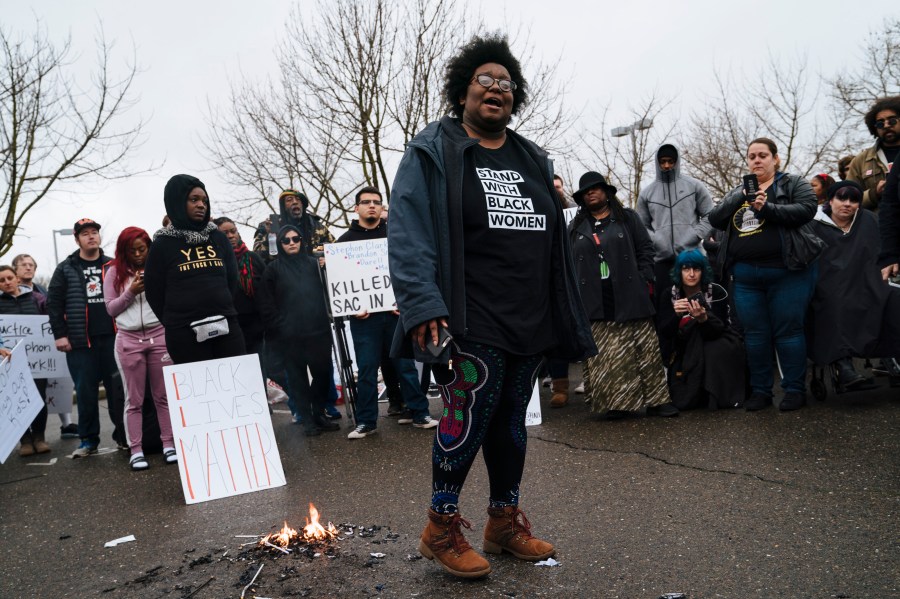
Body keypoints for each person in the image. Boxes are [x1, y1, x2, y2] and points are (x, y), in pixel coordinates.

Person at [388, 35, 595, 579]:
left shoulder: (531, 156)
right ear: (462, 91)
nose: (496, 89)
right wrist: (422, 303)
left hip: (529, 314)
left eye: (506, 83)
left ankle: (502, 522)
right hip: (469, 315)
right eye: (485, 80)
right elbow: (407, 231)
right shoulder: (433, 149)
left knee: (511, 426)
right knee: (466, 417)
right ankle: (441, 525)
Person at [708, 138, 822, 411]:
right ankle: (761, 392)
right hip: (746, 276)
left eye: (762, 155)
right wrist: (742, 196)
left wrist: (766, 208)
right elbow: (715, 218)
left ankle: (794, 390)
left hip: (788, 271)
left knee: (788, 332)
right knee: (755, 335)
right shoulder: (740, 190)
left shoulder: (794, 183)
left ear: (775, 159)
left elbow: (807, 210)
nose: (756, 161)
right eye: (752, 156)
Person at [570, 171, 677, 418]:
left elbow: (646, 249)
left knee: (644, 352)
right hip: (595, 302)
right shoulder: (575, 227)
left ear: (607, 192)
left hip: (630, 296)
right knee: (609, 356)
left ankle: (657, 402)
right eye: (586, 191)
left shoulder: (627, 218)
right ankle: (618, 404)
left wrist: (644, 277)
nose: (591, 193)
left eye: (595, 188)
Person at [338, 186, 438, 439]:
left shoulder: (396, 236)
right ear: (356, 207)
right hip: (364, 319)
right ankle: (366, 422)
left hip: (396, 314)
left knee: (405, 366)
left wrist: (405, 302)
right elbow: (341, 285)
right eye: (366, 202)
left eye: (377, 202)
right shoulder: (343, 244)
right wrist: (351, 309)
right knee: (368, 370)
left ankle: (419, 413)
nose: (372, 205)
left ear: (383, 207)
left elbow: (409, 269)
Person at [144, 175, 246, 364]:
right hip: (184, 334)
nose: (201, 205)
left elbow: (232, 280)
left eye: (204, 200)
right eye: (194, 200)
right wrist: (176, 321)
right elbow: (154, 291)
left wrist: (219, 305)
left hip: (227, 327)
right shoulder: (162, 245)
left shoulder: (218, 238)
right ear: (176, 202)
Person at [808, 181, 900, 387]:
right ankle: (842, 366)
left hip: (868, 280)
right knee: (834, 300)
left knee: (894, 297)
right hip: (828, 284)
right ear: (830, 200)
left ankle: (894, 358)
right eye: (842, 198)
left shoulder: (869, 220)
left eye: (854, 199)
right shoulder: (813, 224)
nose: (847, 204)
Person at [48, 218, 125, 456]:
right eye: (85, 234)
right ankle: (88, 440)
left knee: (118, 392)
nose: (91, 236)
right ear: (77, 239)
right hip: (81, 342)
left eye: (94, 232)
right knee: (85, 392)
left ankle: (124, 437)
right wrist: (60, 335)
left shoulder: (114, 265)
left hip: (114, 338)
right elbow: (54, 303)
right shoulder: (65, 268)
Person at [103, 227, 177, 470]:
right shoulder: (114, 272)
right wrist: (131, 292)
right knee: (133, 399)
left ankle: (169, 444)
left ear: (149, 248)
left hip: (159, 335)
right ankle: (136, 450)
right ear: (123, 250)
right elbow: (111, 309)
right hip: (128, 339)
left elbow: (169, 299)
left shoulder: (158, 266)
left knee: (163, 396)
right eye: (131, 250)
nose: (137, 254)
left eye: (142, 249)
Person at [258, 225, 340, 436]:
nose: (292, 242)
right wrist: (280, 326)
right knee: (298, 380)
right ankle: (308, 421)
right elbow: (266, 303)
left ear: (302, 240)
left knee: (323, 375)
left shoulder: (314, 264)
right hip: (290, 336)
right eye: (286, 240)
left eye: (296, 238)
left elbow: (333, 288)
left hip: (318, 331)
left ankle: (318, 413)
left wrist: (327, 268)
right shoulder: (272, 269)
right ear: (280, 244)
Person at [636, 143, 714, 347]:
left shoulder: (694, 186)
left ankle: (704, 349)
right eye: (663, 162)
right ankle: (669, 358)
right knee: (666, 312)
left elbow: (710, 216)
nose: (667, 165)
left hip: (691, 257)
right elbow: (641, 226)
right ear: (657, 163)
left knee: (700, 305)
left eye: (671, 161)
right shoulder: (647, 193)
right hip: (661, 261)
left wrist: (693, 236)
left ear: (677, 162)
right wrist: (657, 240)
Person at [657, 250, 746, 409]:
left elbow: (722, 329)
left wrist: (704, 319)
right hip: (682, 347)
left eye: (696, 269)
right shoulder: (669, 294)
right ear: (679, 271)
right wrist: (676, 316)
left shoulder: (716, 291)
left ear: (703, 271)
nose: (691, 274)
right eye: (686, 269)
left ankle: (716, 395)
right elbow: (664, 333)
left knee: (712, 349)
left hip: (713, 343)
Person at [13, 252, 77, 438]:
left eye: (31, 264)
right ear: (15, 270)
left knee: (57, 384)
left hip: (43, 349)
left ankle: (66, 424)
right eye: (23, 264)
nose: (28, 267)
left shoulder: (42, 291)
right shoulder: (9, 292)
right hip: (20, 350)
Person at [0, 265, 51, 456]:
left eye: (9, 278)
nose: (6, 283)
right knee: (15, 400)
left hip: (38, 359)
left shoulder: (36, 299)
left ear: (16, 279)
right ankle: (25, 441)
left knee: (38, 398)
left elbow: (49, 322)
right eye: (2, 280)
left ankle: (39, 437)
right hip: (9, 361)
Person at [214, 217, 267, 358]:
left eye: (233, 231)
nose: (231, 236)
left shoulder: (253, 258)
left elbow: (267, 290)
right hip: (228, 331)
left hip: (258, 331)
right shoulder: (214, 263)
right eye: (225, 233)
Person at [846, 96, 900, 211]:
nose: (886, 125)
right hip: (879, 225)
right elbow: (846, 199)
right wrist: (874, 193)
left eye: (892, 120)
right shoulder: (861, 161)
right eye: (880, 123)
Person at [253, 189, 335, 260]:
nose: (295, 202)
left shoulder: (316, 226)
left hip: (312, 273)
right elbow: (257, 257)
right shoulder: (269, 225)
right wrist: (270, 237)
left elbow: (335, 248)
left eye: (298, 199)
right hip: (282, 274)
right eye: (289, 200)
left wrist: (317, 251)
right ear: (283, 206)